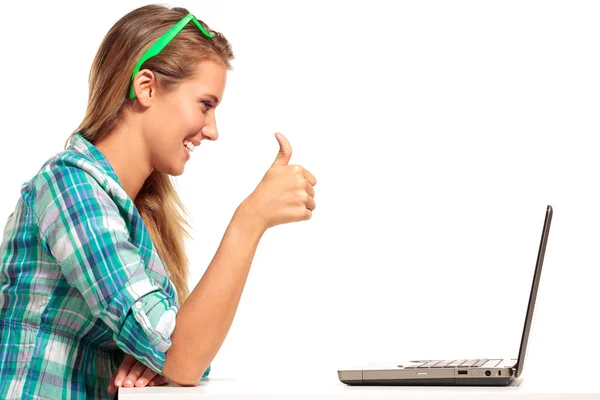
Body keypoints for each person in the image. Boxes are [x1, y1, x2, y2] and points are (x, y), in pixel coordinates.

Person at [0, 4, 317, 399]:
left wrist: (159, 356)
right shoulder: (69, 188)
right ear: (146, 87)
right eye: (206, 104)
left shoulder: (130, 214)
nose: (213, 130)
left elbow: (187, 351)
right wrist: (249, 221)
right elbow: (182, 357)